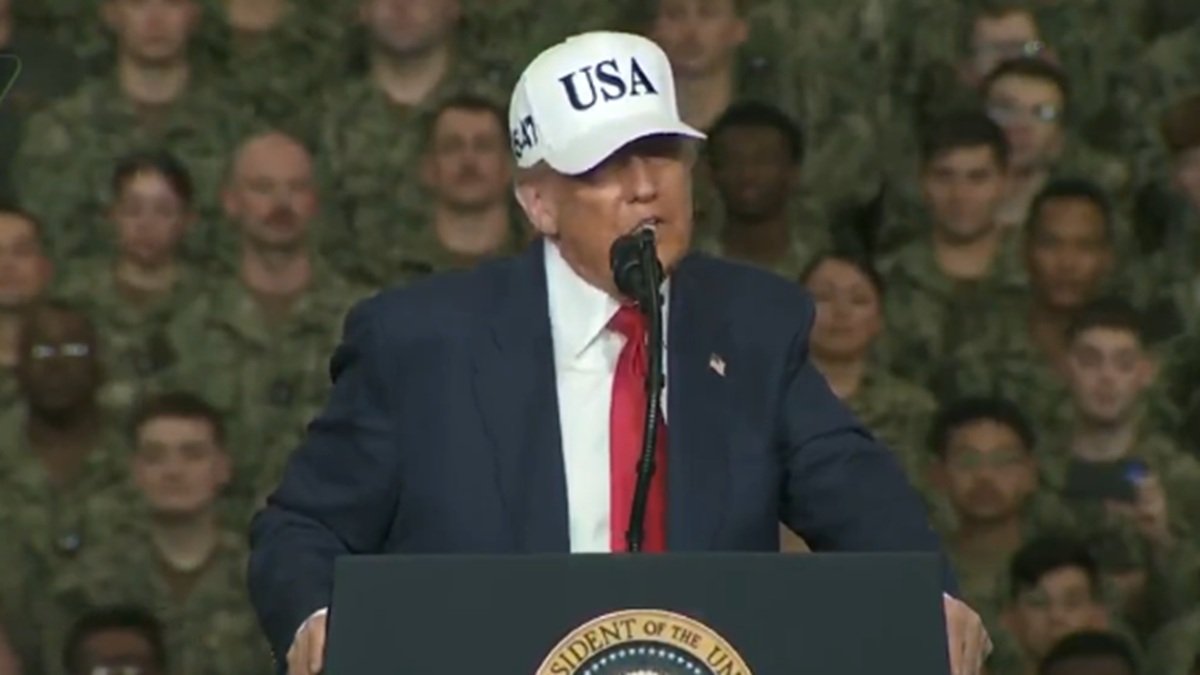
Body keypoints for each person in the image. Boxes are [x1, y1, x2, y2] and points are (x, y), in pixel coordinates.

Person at [248, 31, 991, 675]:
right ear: (538, 200)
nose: (645, 188)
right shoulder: (421, 344)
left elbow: (861, 500)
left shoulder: (752, 326)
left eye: (663, 155)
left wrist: (932, 595)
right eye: (606, 165)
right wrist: (318, 618)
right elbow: (301, 530)